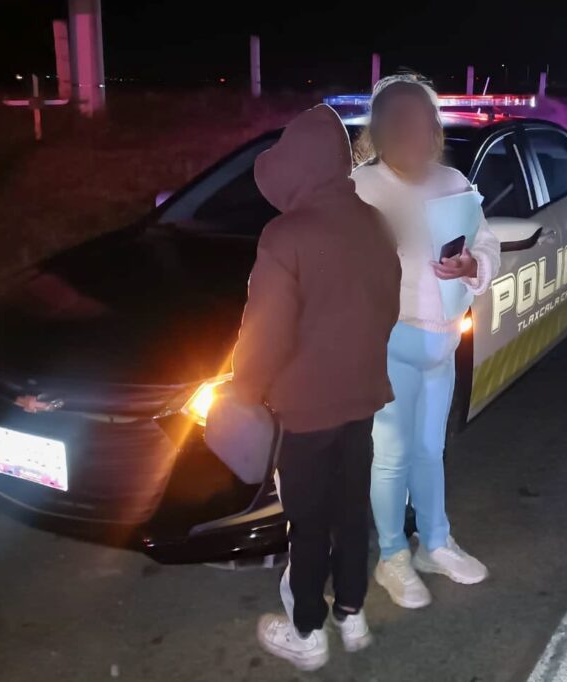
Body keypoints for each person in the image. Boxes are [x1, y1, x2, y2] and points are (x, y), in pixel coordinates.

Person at [230, 103, 401, 671]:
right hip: (362, 400)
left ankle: (307, 632)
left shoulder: (285, 235)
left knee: (306, 525)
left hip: (304, 410)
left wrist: (244, 391)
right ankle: (351, 613)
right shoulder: (376, 222)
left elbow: (265, 334)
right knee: (351, 512)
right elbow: (386, 306)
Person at [352, 75, 502, 609]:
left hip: (443, 340)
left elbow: (485, 241)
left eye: (420, 120)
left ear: (433, 129)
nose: (410, 131)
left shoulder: (452, 181)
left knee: (430, 449)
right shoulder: (359, 188)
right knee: (391, 455)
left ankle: (435, 542)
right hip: (387, 342)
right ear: (378, 129)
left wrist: (472, 264)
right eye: (397, 120)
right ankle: (392, 556)